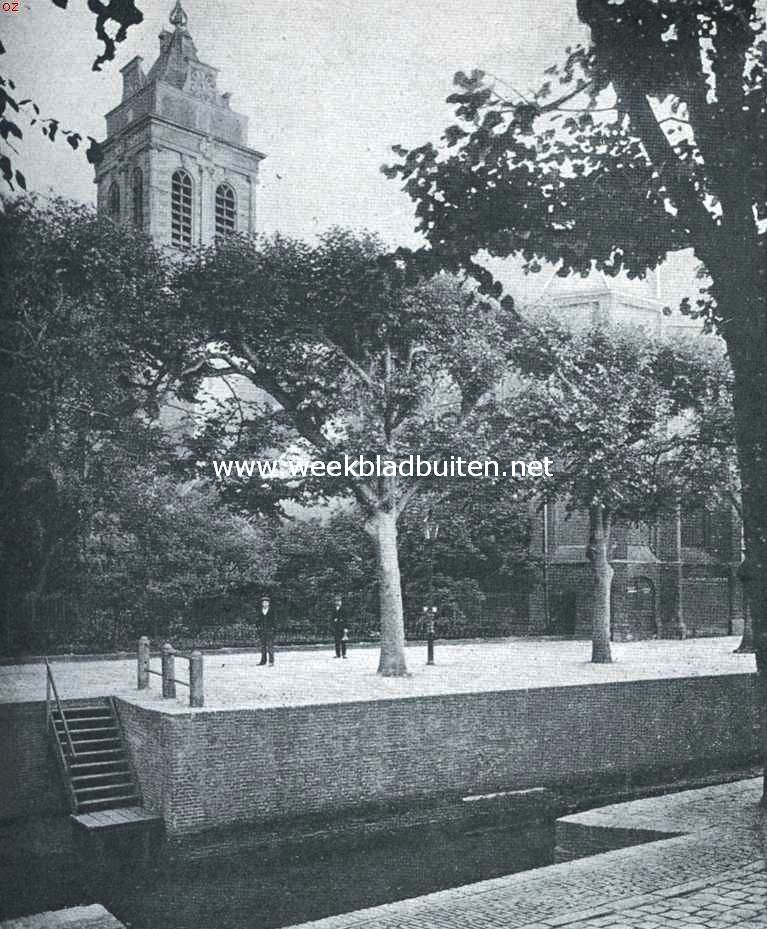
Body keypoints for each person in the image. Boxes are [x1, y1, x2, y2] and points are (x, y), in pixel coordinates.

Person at [256, 595, 276, 666]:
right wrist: (258, 627)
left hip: (270, 630)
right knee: (263, 647)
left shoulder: (272, 611)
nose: (265, 604)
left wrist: (273, 628)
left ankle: (271, 661)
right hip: (262, 630)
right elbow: (257, 620)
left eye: (266, 602)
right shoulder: (260, 611)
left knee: (270, 646)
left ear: (268, 603)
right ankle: (263, 661)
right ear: (262, 604)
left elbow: (274, 621)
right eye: (263, 602)